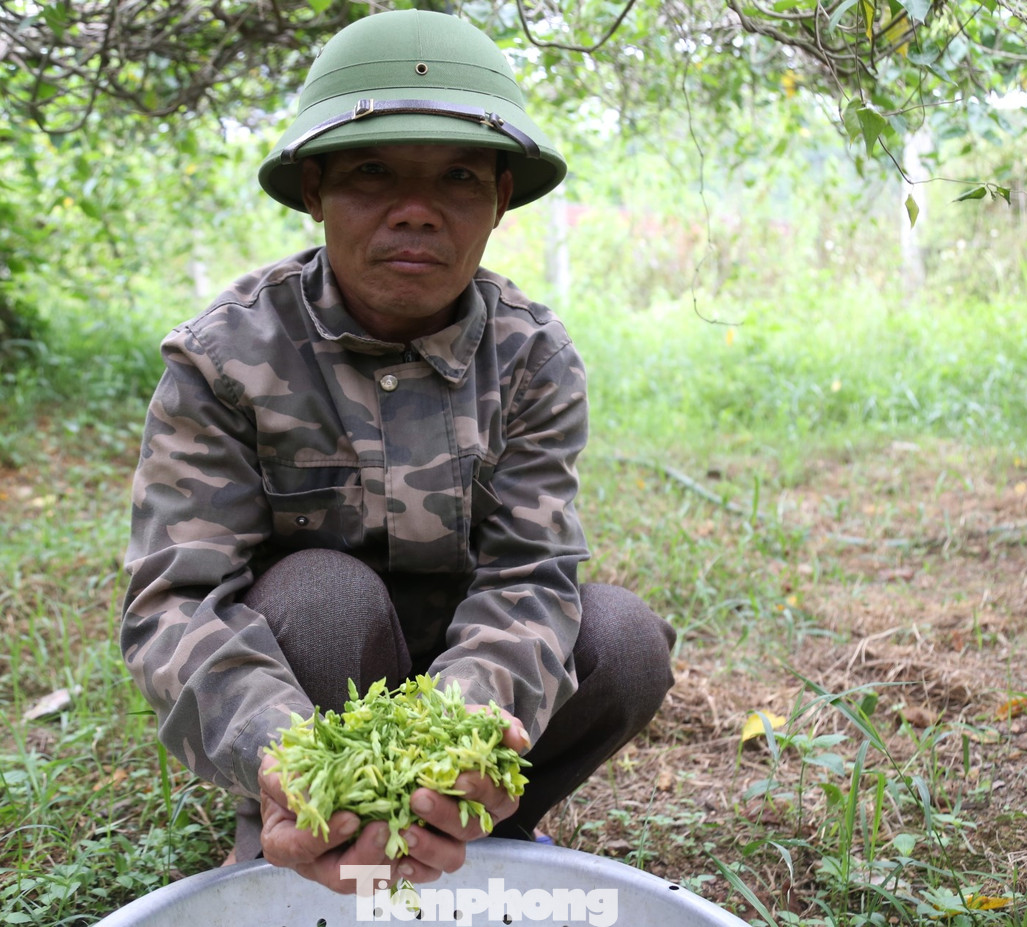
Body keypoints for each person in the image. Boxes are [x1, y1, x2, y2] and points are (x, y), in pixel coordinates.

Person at [119, 8, 675, 895]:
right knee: (326, 596)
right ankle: (301, 826)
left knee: (624, 639)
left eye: (456, 177)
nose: (416, 211)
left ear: (498, 200)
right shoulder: (224, 358)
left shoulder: (533, 358)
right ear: (314, 189)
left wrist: (454, 748)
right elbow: (175, 603)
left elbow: (531, 575)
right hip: (309, 671)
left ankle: (479, 827)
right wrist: (280, 752)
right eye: (374, 172)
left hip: (465, 667)